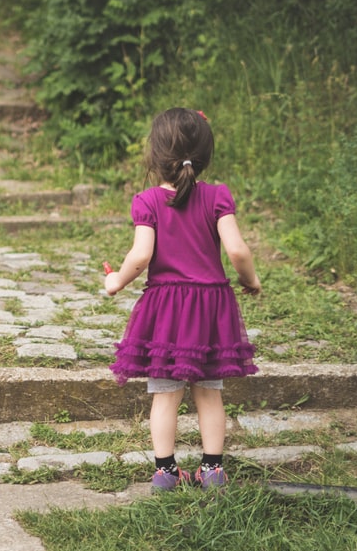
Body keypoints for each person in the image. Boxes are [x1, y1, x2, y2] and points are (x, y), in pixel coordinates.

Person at [104, 107, 262, 492]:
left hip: (167, 311)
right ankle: (212, 470)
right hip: (210, 309)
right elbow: (237, 251)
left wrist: (114, 282)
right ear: (205, 155)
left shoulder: (147, 201)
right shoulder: (217, 197)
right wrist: (251, 280)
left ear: (155, 156)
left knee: (164, 395)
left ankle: (165, 472)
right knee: (210, 393)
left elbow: (140, 256)